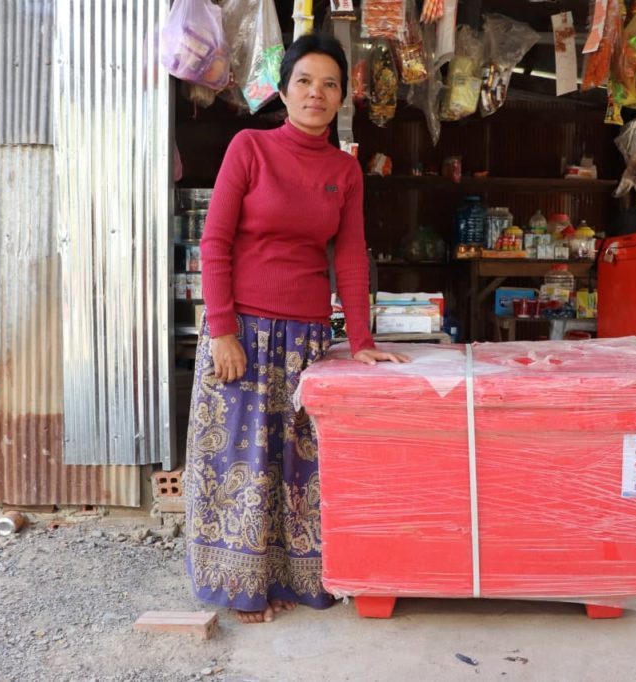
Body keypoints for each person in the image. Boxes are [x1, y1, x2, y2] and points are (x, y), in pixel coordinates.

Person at [184, 33, 409, 624]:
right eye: (305, 81)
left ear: (341, 98)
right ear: (284, 91)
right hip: (244, 336)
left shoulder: (344, 170)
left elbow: (352, 257)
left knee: (296, 464)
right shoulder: (249, 147)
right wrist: (224, 328)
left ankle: (289, 578)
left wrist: (361, 342)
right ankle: (239, 585)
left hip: (306, 340)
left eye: (330, 84)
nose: (317, 93)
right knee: (240, 461)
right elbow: (215, 241)